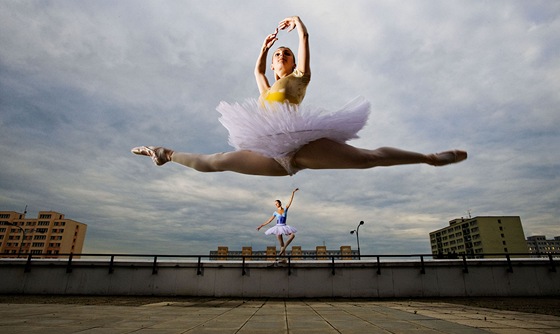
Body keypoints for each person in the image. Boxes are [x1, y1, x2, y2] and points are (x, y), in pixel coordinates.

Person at [132, 16, 467, 176]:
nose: (283, 57)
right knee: (217, 161)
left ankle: (430, 158)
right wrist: (263, 49)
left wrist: (301, 28)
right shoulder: (267, 88)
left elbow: (305, 53)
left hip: (300, 145)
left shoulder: (297, 78)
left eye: (286, 54)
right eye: (280, 55)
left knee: (367, 158)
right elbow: (257, 74)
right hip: (269, 152)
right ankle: (165, 153)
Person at [257, 188, 299, 258]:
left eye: (277, 203)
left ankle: (282, 250)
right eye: (275, 204)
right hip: (278, 227)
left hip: (284, 226)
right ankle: (283, 259)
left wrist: (293, 193)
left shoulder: (285, 209)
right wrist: (261, 225)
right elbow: (269, 220)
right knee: (281, 244)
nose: (276, 205)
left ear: (280, 203)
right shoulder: (275, 212)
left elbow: (290, 201)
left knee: (292, 235)